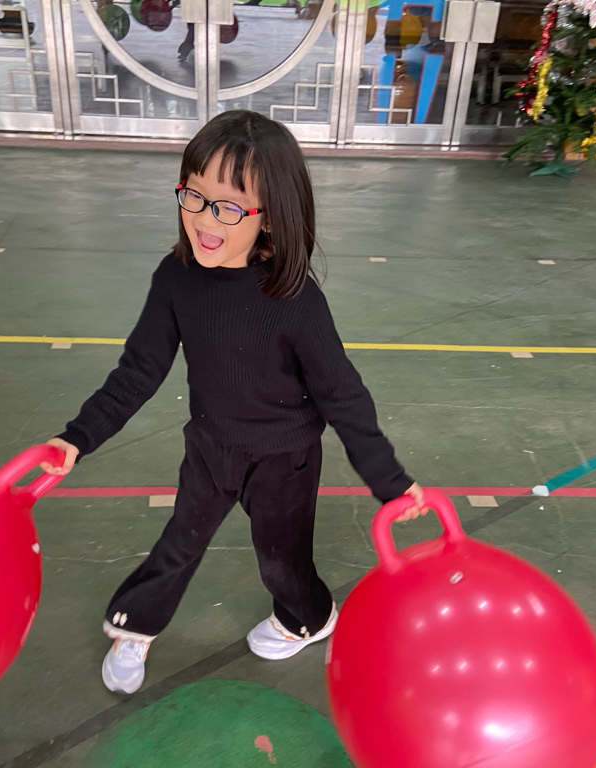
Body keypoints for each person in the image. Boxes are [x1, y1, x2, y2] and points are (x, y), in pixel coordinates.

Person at [40, 110, 425, 695]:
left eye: (228, 207)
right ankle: (135, 626)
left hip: (284, 459)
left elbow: (342, 394)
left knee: (282, 559)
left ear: (272, 215)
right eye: (194, 196)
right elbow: (140, 369)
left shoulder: (296, 301)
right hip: (211, 446)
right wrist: (78, 435)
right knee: (181, 540)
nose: (203, 218)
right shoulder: (175, 278)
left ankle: (308, 618)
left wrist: (390, 480)